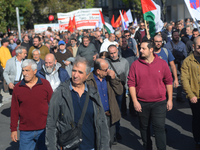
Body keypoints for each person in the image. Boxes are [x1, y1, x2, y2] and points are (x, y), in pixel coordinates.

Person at [45, 56, 110, 150]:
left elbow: (102, 123)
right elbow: (51, 124)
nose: (75, 75)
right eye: (74, 71)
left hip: (90, 146)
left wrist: (104, 147)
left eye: (80, 72)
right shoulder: (60, 92)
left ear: (87, 75)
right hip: (68, 147)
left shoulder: (93, 93)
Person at [128, 40, 173, 150]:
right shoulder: (135, 65)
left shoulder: (162, 63)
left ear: (151, 49)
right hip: (142, 103)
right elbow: (131, 83)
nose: (141, 50)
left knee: (159, 128)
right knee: (144, 128)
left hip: (159, 102)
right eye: (141, 48)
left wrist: (170, 99)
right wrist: (135, 101)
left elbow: (168, 81)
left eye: (143, 48)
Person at [10, 59, 53, 150]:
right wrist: (13, 129)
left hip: (44, 129)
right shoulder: (18, 87)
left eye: (27, 70)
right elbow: (14, 110)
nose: (25, 73)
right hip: (25, 131)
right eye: (23, 70)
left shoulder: (45, 84)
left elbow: (53, 105)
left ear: (35, 71)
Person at [86, 58, 123, 146]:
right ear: (98, 71)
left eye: (108, 68)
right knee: (98, 141)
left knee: (109, 141)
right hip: (97, 115)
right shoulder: (88, 80)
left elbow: (120, 91)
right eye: (106, 69)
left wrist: (114, 78)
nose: (108, 71)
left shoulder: (110, 78)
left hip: (110, 115)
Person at [181, 36, 200, 150]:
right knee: (197, 120)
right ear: (193, 46)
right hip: (195, 96)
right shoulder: (188, 61)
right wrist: (191, 94)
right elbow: (184, 79)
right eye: (199, 46)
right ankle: (198, 140)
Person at [107, 45, 129, 140]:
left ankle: (117, 131)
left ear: (118, 51)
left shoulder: (124, 61)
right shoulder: (106, 62)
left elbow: (128, 75)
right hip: (109, 90)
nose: (113, 55)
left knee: (118, 111)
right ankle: (111, 132)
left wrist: (127, 88)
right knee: (110, 111)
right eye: (111, 53)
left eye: (114, 52)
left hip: (120, 89)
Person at [164, 30, 187, 102]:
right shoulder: (167, 45)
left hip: (179, 65)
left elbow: (185, 55)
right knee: (168, 80)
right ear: (172, 37)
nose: (177, 37)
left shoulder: (182, 45)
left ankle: (179, 96)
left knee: (179, 81)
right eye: (175, 35)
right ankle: (167, 95)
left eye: (178, 35)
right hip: (169, 65)